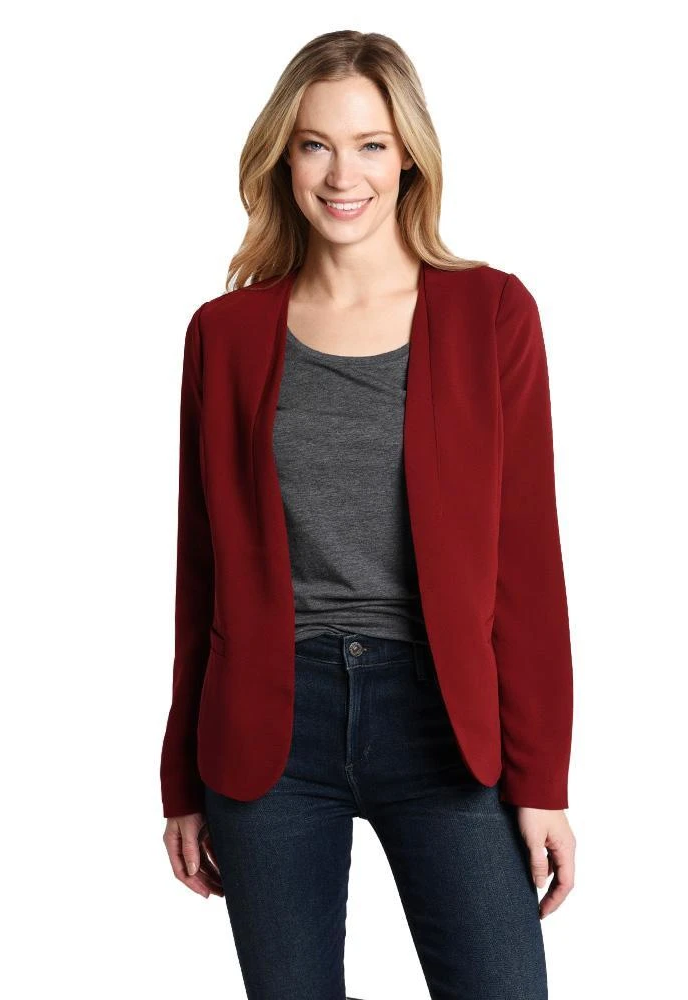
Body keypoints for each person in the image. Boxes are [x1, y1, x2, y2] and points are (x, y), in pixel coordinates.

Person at [161, 29, 576, 1000]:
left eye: (370, 145)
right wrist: (180, 778)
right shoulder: (225, 334)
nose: (342, 175)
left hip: (442, 720)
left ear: (409, 158)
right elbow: (199, 569)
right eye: (315, 144)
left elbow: (526, 561)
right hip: (269, 729)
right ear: (284, 158)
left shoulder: (491, 314)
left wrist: (543, 779)